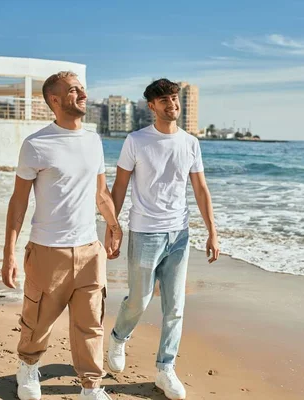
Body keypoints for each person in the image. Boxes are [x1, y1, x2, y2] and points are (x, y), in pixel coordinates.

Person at [1, 71, 122, 400]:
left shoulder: (93, 140)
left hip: (89, 251)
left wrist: (113, 225)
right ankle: (27, 365)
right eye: (73, 90)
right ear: (54, 100)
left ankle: (91, 386)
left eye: (83, 88)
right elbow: (19, 200)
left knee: (90, 323)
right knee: (37, 320)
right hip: (46, 251)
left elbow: (100, 192)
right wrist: (9, 252)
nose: (82, 94)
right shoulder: (36, 145)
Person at [106, 78, 220, 400]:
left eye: (175, 98)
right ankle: (118, 335)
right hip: (144, 232)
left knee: (175, 307)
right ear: (152, 106)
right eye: (165, 100)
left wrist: (212, 231)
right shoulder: (136, 141)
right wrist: (112, 229)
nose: (172, 104)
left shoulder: (190, 143)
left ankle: (165, 369)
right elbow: (119, 187)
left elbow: (200, 189)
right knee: (139, 299)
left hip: (179, 234)